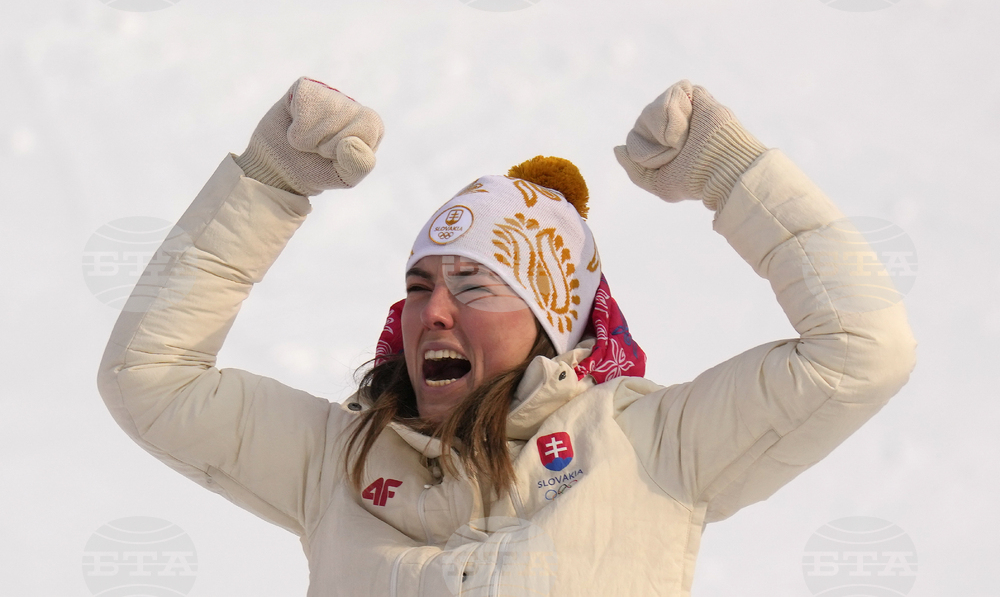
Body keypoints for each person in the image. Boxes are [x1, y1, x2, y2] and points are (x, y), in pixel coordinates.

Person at [98, 76, 917, 596]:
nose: (434, 313)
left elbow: (862, 351)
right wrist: (269, 183)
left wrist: (735, 175)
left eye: (475, 287)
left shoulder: (652, 445)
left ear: (550, 325)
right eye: (418, 286)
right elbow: (150, 379)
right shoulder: (338, 461)